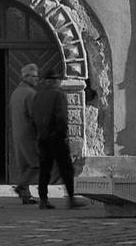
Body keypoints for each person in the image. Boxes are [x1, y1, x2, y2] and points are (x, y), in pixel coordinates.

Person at [29, 59, 86, 209]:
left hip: (42, 137)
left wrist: (38, 133)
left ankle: (43, 199)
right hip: (56, 137)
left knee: (45, 169)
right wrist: (62, 133)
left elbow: (33, 117)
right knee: (66, 168)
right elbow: (61, 116)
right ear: (54, 80)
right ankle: (72, 199)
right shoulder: (58, 94)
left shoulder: (38, 95)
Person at [8, 63, 41, 204]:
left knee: (24, 165)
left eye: (37, 77)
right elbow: (36, 116)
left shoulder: (16, 92)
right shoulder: (30, 94)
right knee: (35, 164)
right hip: (29, 134)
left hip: (18, 132)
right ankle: (22, 186)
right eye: (33, 76)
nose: (36, 79)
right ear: (25, 77)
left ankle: (26, 195)